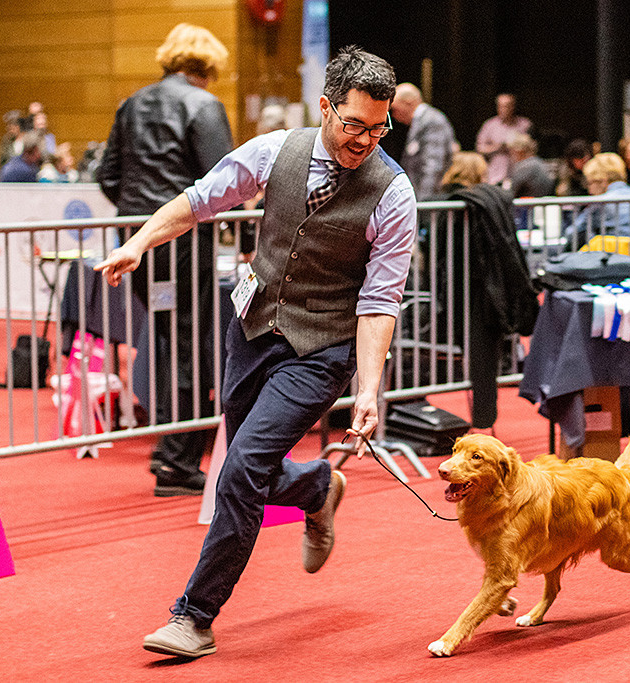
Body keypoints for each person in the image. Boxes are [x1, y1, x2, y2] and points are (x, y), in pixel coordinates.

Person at [96, 45, 416, 659]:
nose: (367, 140)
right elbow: (199, 199)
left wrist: (369, 389)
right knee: (253, 468)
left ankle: (194, 615)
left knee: (239, 470)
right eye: (354, 124)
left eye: (380, 128)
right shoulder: (275, 150)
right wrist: (139, 242)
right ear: (326, 107)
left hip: (321, 349)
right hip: (250, 331)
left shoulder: (392, 193)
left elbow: (379, 301)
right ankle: (316, 489)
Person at [97, 23, 235, 496]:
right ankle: (177, 460)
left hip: (135, 239)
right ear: (209, 66)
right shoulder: (204, 105)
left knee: (163, 337)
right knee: (188, 344)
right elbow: (224, 181)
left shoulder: (132, 102)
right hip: (180, 238)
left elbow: (107, 174)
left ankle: (170, 452)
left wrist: (138, 217)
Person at [565, 152, 630, 247]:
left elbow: (571, 235)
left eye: (590, 183)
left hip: (615, 262)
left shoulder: (600, 204)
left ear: (602, 180)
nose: (590, 191)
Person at [390, 82, 456, 200]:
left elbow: (433, 165)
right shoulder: (420, 121)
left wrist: (423, 201)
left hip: (427, 197)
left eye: (394, 109)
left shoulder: (431, 121)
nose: (393, 115)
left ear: (408, 102)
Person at [475, 93, 533, 185]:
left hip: (519, 173)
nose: (503, 109)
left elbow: (532, 148)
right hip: (496, 175)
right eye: (500, 106)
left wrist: (518, 145)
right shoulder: (490, 125)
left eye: (507, 106)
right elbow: (479, 148)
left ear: (513, 106)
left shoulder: (524, 125)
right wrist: (498, 147)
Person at [507, 133, 553, 197]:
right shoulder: (539, 161)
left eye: (511, 150)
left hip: (527, 204)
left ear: (519, 151)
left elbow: (512, 191)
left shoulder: (526, 166)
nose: (511, 154)